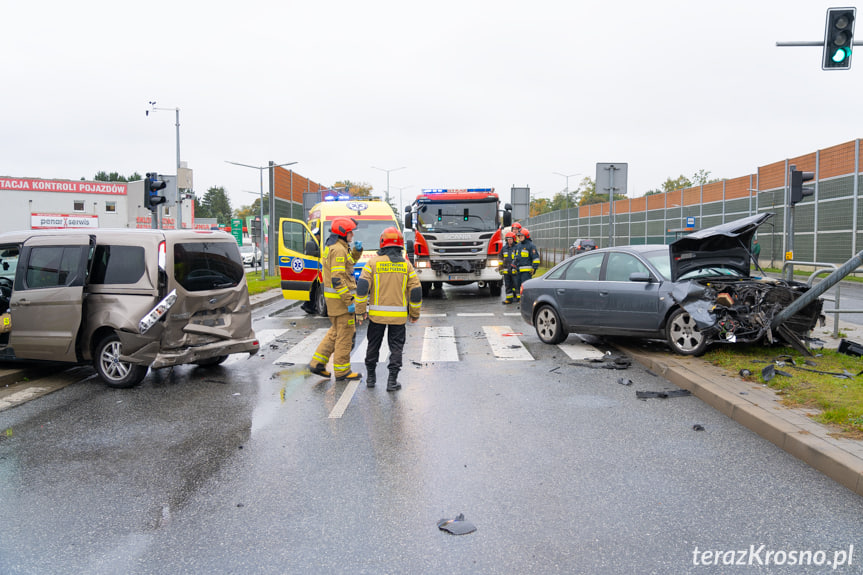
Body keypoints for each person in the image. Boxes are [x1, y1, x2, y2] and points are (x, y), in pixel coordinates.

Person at [355, 227, 422, 391]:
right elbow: (416, 290)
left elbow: (362, 287)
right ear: (400, 246)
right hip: (398, 319)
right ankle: (392, 381)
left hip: (377, 317)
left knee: (373, 347)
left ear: (382, 244)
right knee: (396, 348)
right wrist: (414, 313)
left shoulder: (372, 263)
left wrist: (360, 310)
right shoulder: (406, 265)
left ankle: (371, 378)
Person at [308, 217, 362, 381]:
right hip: (341, 303)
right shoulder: (338, 250)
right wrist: (350, 302)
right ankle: (342, 371)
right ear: (343, 233)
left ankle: (317, 363)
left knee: (335, 333)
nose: (352, 234)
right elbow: (338, 279)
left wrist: (356, 252)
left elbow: (348, 264)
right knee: (345, 335)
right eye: (350, 231)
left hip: (334, 302)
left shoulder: (336, 247)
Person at [513, 227, 540, 302]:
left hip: (526, 273)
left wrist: (534, 268)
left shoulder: (531, 246)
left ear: (526, 236)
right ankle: (520, 301)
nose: (519, 237)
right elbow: (516, 257)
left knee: (526, 287)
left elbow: (536, 258)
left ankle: (527, 302)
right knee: (518, 287)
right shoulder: (518, 246)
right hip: (518, 271)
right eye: (519, 236)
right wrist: (514, 267)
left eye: (521, 236)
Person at [300, 226, 321, 314]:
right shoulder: (313, 243)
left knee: (314, 287)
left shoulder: (317, 242)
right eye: (318, 235)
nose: (319, 237)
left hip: (315, 268)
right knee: (314, 287)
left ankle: (309, 305)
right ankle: (308, 305)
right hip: (312, 267)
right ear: (317, 236)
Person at [499, 231, 517, 304]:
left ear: (514, 239)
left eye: (511, 239)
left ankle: (518, 299)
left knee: (516, 284)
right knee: (508, 285)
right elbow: (500, 257)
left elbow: (518, 258)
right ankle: (509, 299)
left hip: (514, 270)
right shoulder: (504, 249)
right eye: (508, 239)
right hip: (506, 270)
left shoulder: (517, 248)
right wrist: (500, 267)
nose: (509, 240)